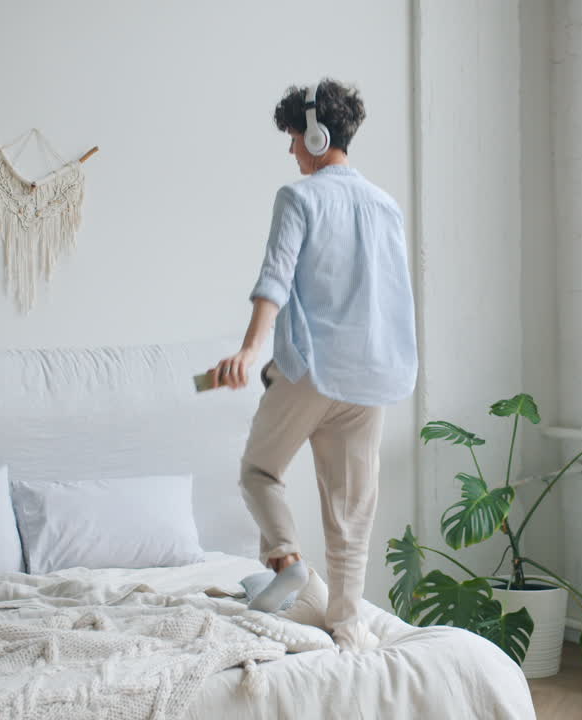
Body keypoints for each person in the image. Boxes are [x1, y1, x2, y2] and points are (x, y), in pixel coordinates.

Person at [207, 78, 417, 652]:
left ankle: (286, 558)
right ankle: (349, 630)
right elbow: (394, 295)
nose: (292, 149)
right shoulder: (386, 206)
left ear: (317, 134)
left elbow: (274, 277)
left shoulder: (298, 198)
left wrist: (251, 352)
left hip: (313, 371)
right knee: (351, 516)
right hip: (371, 378)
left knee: (259, 472)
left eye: (295, 136)